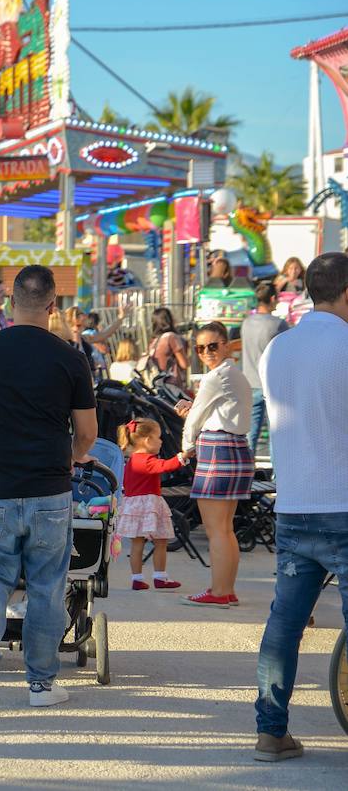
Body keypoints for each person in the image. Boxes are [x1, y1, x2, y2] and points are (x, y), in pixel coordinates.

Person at [0, 264, 97, 718]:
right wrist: (70, 457)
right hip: (50, 488)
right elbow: (88, 433)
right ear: (54, 306)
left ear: (11, 302)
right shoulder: (71, 358)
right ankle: (40, 683)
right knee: (48, 585)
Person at [253, 251, 348, 762]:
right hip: (345, 502)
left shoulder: (277, 350)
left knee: (285, 624)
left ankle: (270, 732)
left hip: (295, 505)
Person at [177, 320, 253, 608]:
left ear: (226, 346)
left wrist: (186, 448)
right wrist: (194, 412)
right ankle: (226, 589)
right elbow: (210, 413)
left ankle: (219, 592)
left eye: (212, 346)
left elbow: (195, 419)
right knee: (225, 528)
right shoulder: (235, 374)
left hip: (218, 450)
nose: (206, 352)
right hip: (235, 448)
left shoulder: (215, 377)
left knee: (216, 529)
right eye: (200, 347)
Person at [115, 419, 184, 591]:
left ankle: (137, 579)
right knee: (161, 541)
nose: (161, 441)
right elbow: (165, 466)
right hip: (149, 506)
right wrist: (183, 456)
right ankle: (160, 576)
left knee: (137, 544)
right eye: (158, 437)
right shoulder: (145, 460)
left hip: (133, 506)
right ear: (147, 440)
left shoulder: (131, 461)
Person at [240, 282, 287, 458]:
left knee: (250, 435)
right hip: (272, 385)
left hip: (250, 383)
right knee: (275, 435)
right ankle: (276, 477)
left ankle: (246, 474)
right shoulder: (278, 324)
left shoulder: (246, 323)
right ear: (273, 299)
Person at [146, 306, 189, 384]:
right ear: (169, 320)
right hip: (171, 383)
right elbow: (184, 364)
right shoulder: (171, 337)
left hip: (158, 382)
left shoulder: (153, 341)